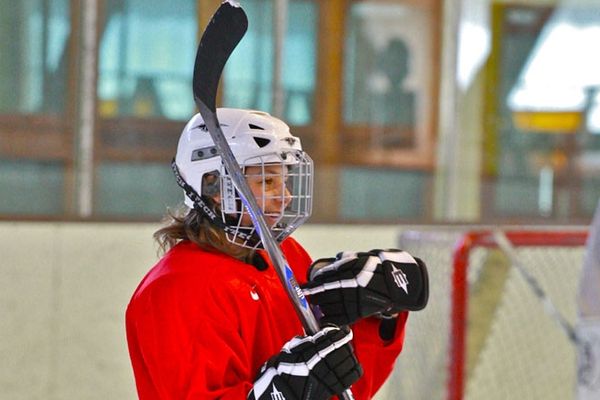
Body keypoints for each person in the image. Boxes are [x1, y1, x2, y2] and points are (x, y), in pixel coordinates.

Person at [125, 108, 429, 400]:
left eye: (284, 179)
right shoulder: (178, 291)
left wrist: (376, 316)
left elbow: (344, 391)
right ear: (215, 186)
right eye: (267, 181)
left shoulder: (286, 256)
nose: (285, 196)